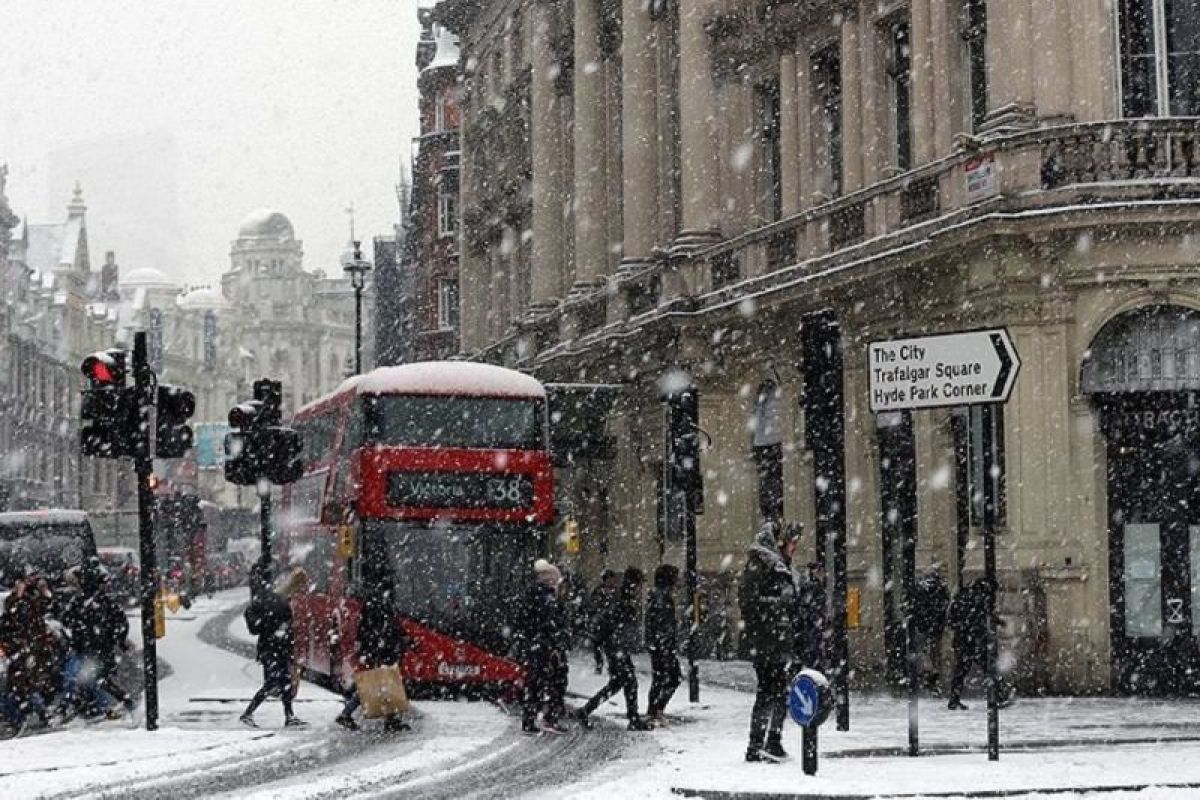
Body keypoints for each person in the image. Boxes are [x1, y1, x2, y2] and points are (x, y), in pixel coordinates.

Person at [739, 521, 800, 763]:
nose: (794, 548)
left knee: (778, 692)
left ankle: (770, 741)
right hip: (768, 642)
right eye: (792, 543)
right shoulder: (762, 566)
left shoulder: (778, 566)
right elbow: (750, 603)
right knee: (768, 692)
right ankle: (759, 744)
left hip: (777, 640)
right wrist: (779, 604)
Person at [575, 566, 653, 731]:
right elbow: (614, 624)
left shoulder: (622, 597)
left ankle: (586, 710)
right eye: (640, 584)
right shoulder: (622, 600)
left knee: (618, 683)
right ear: (634, 583)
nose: (641, 589)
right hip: (616, 648)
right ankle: (633, 719)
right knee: (629, 682)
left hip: (616, 648)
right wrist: (618, 644)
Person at [335, 581, 412, 732]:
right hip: (381, 651)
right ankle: (348, 714)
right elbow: (389, 627)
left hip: (377, 650)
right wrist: (399, 641)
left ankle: (389, 719)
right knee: (378, 683)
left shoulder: (373, 603)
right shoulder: (380, 605)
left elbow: (368, 629)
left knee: (381, 683)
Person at [60, 567, 135, 720]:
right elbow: (120, 622)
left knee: (94, 679)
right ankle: (103, 707)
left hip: (93, 648)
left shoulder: (86, 602)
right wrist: (118, 639)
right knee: (95, 680)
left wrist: (116, 638)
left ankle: (110, 706)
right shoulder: (98, 602)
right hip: (94, 648)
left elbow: (67, 620)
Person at [240, 569, 308, 728]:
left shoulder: (270, 600)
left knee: (283, 683)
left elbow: (264, 625)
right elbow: (286, 627)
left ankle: (289, 716)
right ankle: (248, 713)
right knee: (274, 683)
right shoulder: (280, 604)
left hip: (270, 648)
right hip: (275, 649)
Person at [515, 559, 570, 735]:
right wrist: (554, 642)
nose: (556, 581)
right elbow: (551, 623)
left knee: (536, 684)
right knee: (552, 683)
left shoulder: (533, 594)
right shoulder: (546, 597)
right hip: (544, 647)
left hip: (537, 646)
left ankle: (531, 719)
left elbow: (524, 621)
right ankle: (548, 718)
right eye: (554, 577)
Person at [0, 578, 60, 736]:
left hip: (24, 655)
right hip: (21, 655)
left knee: (22, 688)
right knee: (22, 688)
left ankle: (24, 718)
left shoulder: (26, 608)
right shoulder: (18, 610)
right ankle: (34, 716)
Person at [947, 578, 1007, 710]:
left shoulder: (963, 598)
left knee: (962, 671)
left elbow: (952, 619)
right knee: (988, 668)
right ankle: (999, 696)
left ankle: (954, 699)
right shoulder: (978, 600)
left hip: (965, 640)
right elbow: (982, 616)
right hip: (973, 641)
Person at [645, 564, 681, 724]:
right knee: (672, 677)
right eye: (675, 576)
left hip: (659, 645)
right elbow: (663, 624)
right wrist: (666, 645)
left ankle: (654, 710)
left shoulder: (658, 596)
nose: (677, 580)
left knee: (659, 678)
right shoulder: (662, 598)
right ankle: (656, 710)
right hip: (663, 646)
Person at [911, 567, 950, 692]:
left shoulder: (920, 589)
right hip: (935, 626)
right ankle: (933, 672)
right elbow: (944, 604)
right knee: (934, 650)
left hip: (924, 626)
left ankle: (929, 672)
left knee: (924, 650)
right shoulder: (940, 589)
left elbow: (916, 606)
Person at [794, 560, 826, 672]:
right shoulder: (812, 586)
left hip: (811, 628)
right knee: (813, 656)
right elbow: (810, 606)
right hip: (811, 629)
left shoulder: (810, 585)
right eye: (819, 570)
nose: (821, 573)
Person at [586, 570, 618, 675]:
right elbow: (593, 604)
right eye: (609, 579)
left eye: (612, 579)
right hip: (600, 623)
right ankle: (599, 665)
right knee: (597, 646)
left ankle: (611, 666)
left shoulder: (616, 592)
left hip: (611, 624)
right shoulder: (599, 591)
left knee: (610, 647)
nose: (611, 581)